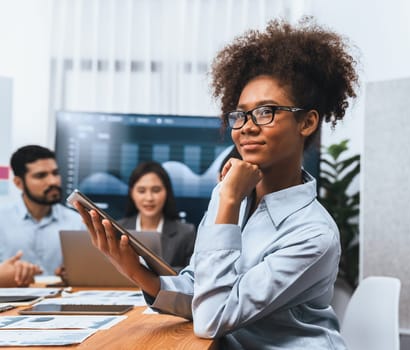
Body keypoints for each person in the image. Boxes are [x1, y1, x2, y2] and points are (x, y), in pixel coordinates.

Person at [74, 17, 358, 349]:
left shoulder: (313, 234)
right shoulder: (232, 196)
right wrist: (137, 273)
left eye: (266, 112)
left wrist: (227, 201)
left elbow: (211, 318)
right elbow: (201, 289)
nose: (246, 127)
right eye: (240, 114)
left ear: (307, 122)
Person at [0, 145, 84, 277]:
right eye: (41, 176)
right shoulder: (2, 219)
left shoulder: (77, 223)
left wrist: (74, 275)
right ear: (18, 183)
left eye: (55, 173)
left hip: (61, 296)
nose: (53, 181)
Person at [118, 161, 196, 271]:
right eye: (141, 191)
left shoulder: (186, 233)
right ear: (132, 193)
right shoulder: (118, 229)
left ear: (167, 192)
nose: (149, 198)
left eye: (156, 190)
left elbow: (191, 274)